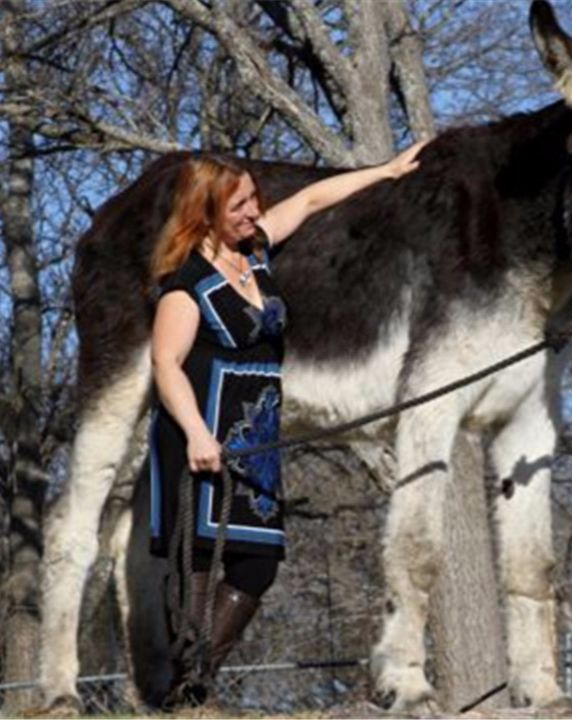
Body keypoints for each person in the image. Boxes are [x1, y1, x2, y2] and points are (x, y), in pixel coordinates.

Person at [144, 143, 426, 706]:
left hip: (257, 440)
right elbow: (165, 365)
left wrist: (388, 171)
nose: (252, 211)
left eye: (253, 199)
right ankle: (187, 696)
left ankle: (193, 682)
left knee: (258, 563)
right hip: (199, 438)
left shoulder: (256, 254)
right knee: (195, 564)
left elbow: (314, 198)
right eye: (238, 206)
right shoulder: (185, 287)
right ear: (205, 213)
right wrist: (198, 435)